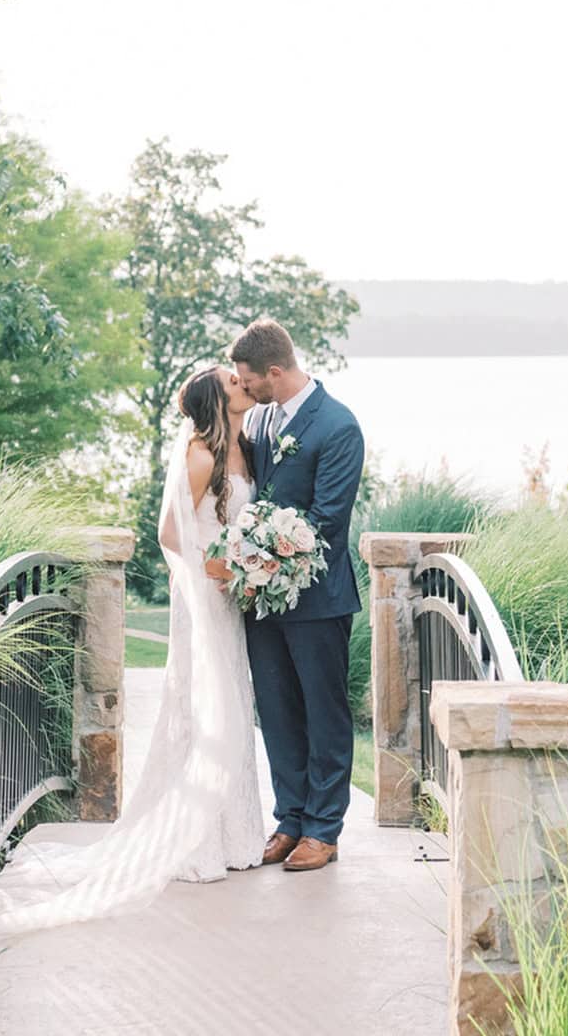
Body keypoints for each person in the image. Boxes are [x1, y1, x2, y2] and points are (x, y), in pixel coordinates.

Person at [0, 364, 266, 939]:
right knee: (203, 704)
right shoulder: (201, 455)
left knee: (232, 702)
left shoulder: (244, 451)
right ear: (216, 400)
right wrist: (221, 568)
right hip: (205, 596)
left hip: (231, 596)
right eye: (233, 382)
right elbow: (170, 534)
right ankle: (195, 838)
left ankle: (235, 832)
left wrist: (249, 565)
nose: (242, 385)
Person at [226, 317, 366, 873]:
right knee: (278, 711)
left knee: (323, 713)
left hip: (319, 599)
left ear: (275, 372)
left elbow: (327, 520)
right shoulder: (259, 419)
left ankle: (324, 830)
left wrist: (259, 552)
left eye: (250, 380)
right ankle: (289, 819)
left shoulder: (338, 426)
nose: (246, 388)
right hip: (262, 601)